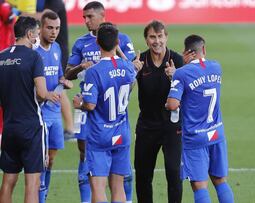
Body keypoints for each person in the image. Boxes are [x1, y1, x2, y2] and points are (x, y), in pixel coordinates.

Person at [64, 1, 136, 202]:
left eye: (90, 17)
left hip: (93, 110)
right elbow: (67, 74)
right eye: (84, 17)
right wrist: (80, 67)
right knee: (84, 154)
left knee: (98, 176)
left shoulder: (121, 39)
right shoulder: (81, 43)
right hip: (112, 117)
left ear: (102, 16)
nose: (86, 21)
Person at [166, 34, 234, 203]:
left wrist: (175, 78)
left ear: (189, 52)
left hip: (195, 136)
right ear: (203, 49)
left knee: (199, 185)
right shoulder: (216, 67)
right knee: (220, 181)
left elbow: (173, 104)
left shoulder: (182, 74)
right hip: (216, 133)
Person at [0, 16, 59, 203]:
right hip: (32, 128)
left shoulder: (1, 57)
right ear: (29, 34)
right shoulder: (34, 57)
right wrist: (51, 94)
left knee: (8, 181)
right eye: (36, 33)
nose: (37, 37)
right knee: (32, 184)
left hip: (9, 127)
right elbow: (41, 93)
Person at [133, 20, 183, 203]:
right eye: (152, 37)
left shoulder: (177, 60)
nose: (157, 41)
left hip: (172, 126)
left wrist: (176, 77)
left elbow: (190, 94)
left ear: (166, 37)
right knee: (143, 176)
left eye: (160, 36)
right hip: (147, 126)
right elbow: (125, 90)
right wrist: (132, 72)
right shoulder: (139, 61)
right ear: (146, 40)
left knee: (174, 173)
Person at [35, 10, 73, 203]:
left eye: (57, 28)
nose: (54, 32)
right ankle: (39, 198)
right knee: (41, 161)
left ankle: (44, 193)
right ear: (41, 28)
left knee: (51, 159)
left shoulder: (57, 48)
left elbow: (58, 76)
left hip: (55, 113)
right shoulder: (33, 52)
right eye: (50, 28)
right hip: (38, 113)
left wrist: (64, 82)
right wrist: (42, 95)